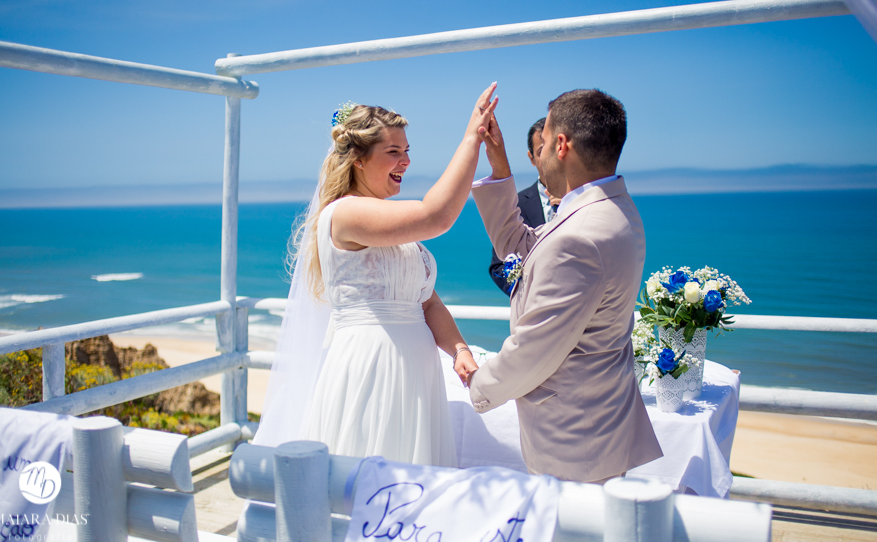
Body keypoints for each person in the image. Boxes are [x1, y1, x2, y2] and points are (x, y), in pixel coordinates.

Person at [254, 84, 497, 467]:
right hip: (371, 366)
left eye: (407, 152)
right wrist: (471, 140)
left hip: (417, 373)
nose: (405, 161)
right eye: (393, 152)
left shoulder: (388, 222)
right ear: (359, 161)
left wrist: (459, 350)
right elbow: (437, 216)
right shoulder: (346, 213)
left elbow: (427, 301)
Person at [468, 88, 663, 483]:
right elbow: (522, 245)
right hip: (600, 422)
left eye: (541, 145)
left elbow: (534, 350)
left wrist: (478, 384)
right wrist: (500, 166)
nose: (537, 156)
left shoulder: (580, 235)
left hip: (573, 439)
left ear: (560, 145)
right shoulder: (614, 210)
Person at [488, 117, 555, 295]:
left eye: (554, 150)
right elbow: (498, 267)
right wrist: (527, 293)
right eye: (541, 152)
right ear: (531, 158)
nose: (550, 158)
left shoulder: (584, 199)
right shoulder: (514, 204)